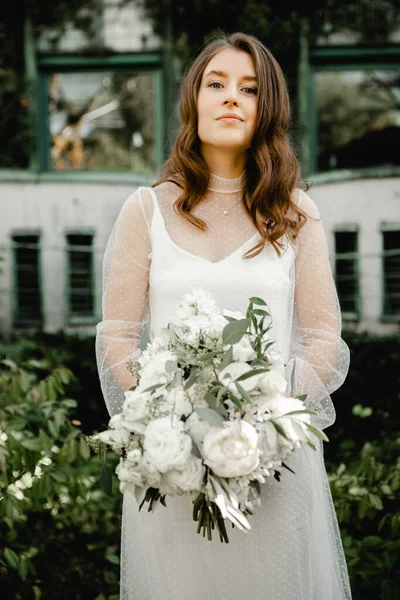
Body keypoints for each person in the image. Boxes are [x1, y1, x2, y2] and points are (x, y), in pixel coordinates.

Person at [95, 32, 352, 600]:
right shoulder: (145, 210)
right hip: (174, 473)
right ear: (194, 99)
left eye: (249, 89)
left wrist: (266, 423)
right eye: (217, 84)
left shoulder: (295, 214)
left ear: (268, 110)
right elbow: (116, 333)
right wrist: (168, 422)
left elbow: (322, 337)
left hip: (275, 468)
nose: (231, 97)